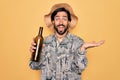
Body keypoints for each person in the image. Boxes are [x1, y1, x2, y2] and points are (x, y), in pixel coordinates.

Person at [29, 3, 104, 80]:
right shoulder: (44, 42)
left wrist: (82, 49)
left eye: (64, 19)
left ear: (68, 21)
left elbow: (80, 69)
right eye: (57, 18)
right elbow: (34, 66)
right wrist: (36, 53)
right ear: (53, 21)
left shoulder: (78, 42)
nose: (61, 22)